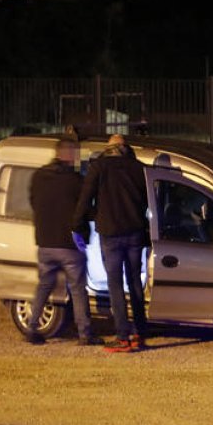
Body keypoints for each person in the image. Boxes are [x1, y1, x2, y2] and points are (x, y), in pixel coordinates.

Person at [75, 133, 150, 353]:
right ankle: (139, 330)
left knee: (115, 284)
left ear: (109, 148)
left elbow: (85, 198)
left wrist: (80, 223)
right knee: (134, 281)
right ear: (126, 148)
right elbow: (147, 201)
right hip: (135, 232)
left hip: (110, 233)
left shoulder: (99, 167)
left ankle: (123, 335)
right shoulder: (138, 168)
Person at [26, 136, 100, 345]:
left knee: (44, 285)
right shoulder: (75, 181)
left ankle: (32, 327)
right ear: (69, 154)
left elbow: (33, 202)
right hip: (69, 244)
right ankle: (84, 333)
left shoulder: (39, 176)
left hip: (45, 242)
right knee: (77, 289)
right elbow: (86, 209)